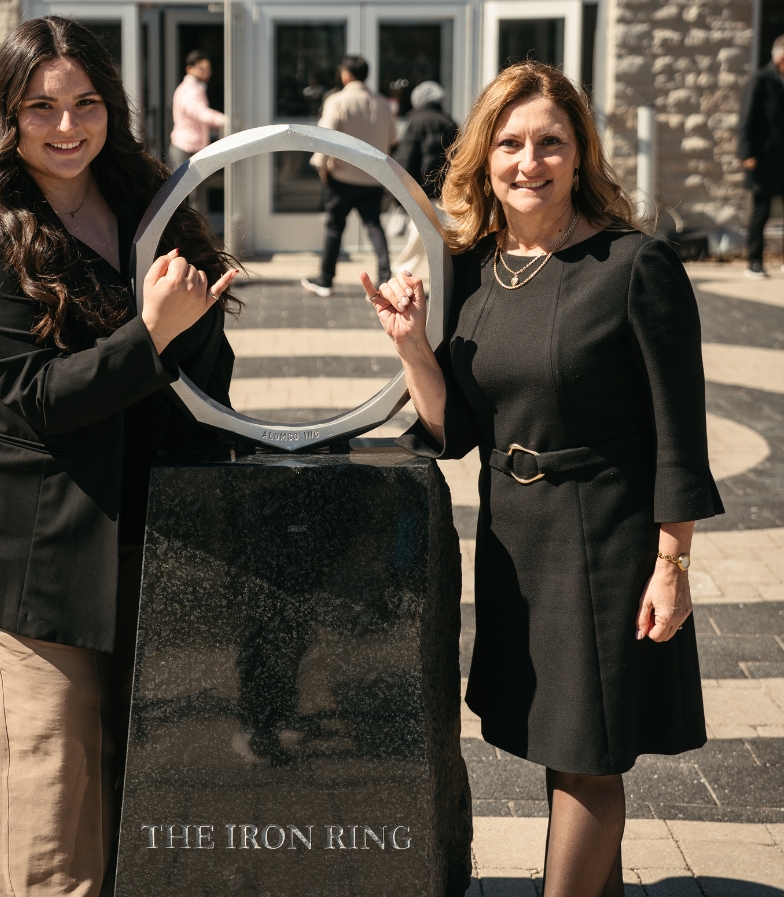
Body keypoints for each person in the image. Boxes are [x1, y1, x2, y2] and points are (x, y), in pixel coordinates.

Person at [362, 61, 721, 897]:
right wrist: (412, 345)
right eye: (511, 144)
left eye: (551, 143)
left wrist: (672, 566)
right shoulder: (480, 269)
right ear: (484, 158)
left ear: (579, 152)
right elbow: (456, 431)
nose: (530, 163)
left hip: (607, 542)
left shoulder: (634, 264)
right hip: (518, 543)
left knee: (588, 761)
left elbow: (681, 434)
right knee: (564, 744)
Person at [0, 16, 239, 897]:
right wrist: (152, 331)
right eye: (41, 107)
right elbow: (40, 400)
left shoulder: (147, 201)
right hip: (26, 565)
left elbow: (202, 370)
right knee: (48, 831)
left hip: (132, 545)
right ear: (7, 116)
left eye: (86, 103)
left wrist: (193, 332)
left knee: (129, 810)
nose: (67, 126)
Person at [301, 55, 399, 298]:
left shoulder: (337, 100)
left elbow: (326, 136)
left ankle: (326, 279)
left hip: (342, 177)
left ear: (345, 74)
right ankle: (385, 279)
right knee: (374, 227)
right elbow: (392, 138)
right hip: (373, 177)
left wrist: (321, 166)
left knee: (334, 227)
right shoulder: (382, 103)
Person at [738, 33, 784, 279]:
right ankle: (754, 262)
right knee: (761, 212)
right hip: (763, 161)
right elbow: (746, 120)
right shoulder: (760, 80)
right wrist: (747, 154)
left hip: (782, 160)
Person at [394, 80, 459, 198]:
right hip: (445, 194)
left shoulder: (415, 122)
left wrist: (398, 194)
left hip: (419, 193)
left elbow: (406, 160)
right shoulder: (450, 122)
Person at [168, 49, 226, 170]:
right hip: (186, 148)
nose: (206, 73)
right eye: (202, 69)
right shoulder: (190, 90)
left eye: (208, 69)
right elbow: (198, 112)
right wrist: (221, 119)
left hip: (190, 147)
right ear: (189, 69)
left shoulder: (196, 87)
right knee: (187, 183)